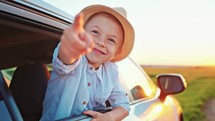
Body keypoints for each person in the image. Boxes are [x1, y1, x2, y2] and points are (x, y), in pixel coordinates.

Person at [40, 4, 135, 121]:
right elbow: (66, 62)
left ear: (116, 52)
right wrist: (69, 48)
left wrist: (108, 117)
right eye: (95, 32)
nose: (101, 42)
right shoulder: (76, 59)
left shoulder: (111, 71)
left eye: (111, 40)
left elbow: (124, 105)